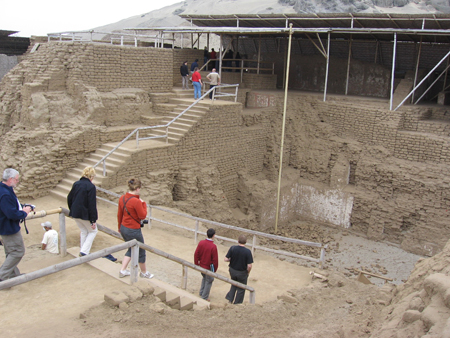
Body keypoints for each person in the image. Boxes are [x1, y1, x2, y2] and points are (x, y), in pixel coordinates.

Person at [118, 178, 154, 279]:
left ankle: (123, 270)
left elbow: (119, 214)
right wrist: (143, 204)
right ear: (137, 189)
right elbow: (142, 216)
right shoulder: (136, 201)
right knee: (141, 251)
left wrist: (119, 227)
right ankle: (144, 272)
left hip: (124, 227)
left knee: (131, 247)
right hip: (133, 229)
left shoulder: (122, 198)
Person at [0, 168, 33, 281]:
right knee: (18, 252)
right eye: (17, 180)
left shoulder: (4, 189)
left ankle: (12, 275)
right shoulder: (5, 194)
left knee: (11, 252)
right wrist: (24, 212)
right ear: (11, 179)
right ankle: (2, 276)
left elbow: (11, 207)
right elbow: (11, 214)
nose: (18, 182)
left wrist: (23, 208)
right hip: (9, 228)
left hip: (5, 227)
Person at [67, 166, 99, 257]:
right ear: (91, 177)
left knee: (84, 231)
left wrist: (72, 209)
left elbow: (69, 198)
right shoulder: (91, 186)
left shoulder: (76, 184)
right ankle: (84, 251)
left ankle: (83, 249)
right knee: (93, 231)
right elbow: (92, 204)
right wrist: (93, 220)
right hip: (85, 214)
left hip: (75, 212)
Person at [224, 234, 254, 304]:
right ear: (246, 241)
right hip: (242, 272)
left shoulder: (233, 248)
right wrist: (247, 273)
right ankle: (237, 303)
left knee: (233, 284)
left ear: (238, 241)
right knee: (241, 288)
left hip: (232, 271)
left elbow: (226, 259)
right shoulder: (247, 251)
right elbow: (249, 265)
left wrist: (232, 260)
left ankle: (230, 299)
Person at [194, 228, 218, 301]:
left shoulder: (201, 242)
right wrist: (215, 269)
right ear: (213, 235)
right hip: (208, 267)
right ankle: (204, 296)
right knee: (209, 280)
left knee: (205, 278)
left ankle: (202, 292)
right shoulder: (213, 246)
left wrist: (196, 263)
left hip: (201, 265)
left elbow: (196, 254)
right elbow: (215, 260)